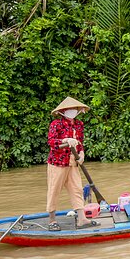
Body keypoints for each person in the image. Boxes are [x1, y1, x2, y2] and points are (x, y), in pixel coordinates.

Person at [47, 97, 97, 231]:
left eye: (75, 109)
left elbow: (80, 143)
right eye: (70, 109)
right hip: (57, 162)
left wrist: (81, 155)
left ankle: (82, 219)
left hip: (72, 162)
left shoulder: (79, 124)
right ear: (63, 111)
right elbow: (51, 142)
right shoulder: (56, 124)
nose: (73, 111)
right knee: (54, 190)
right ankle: (52, 220)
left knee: (77, 189)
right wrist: (65, 140)